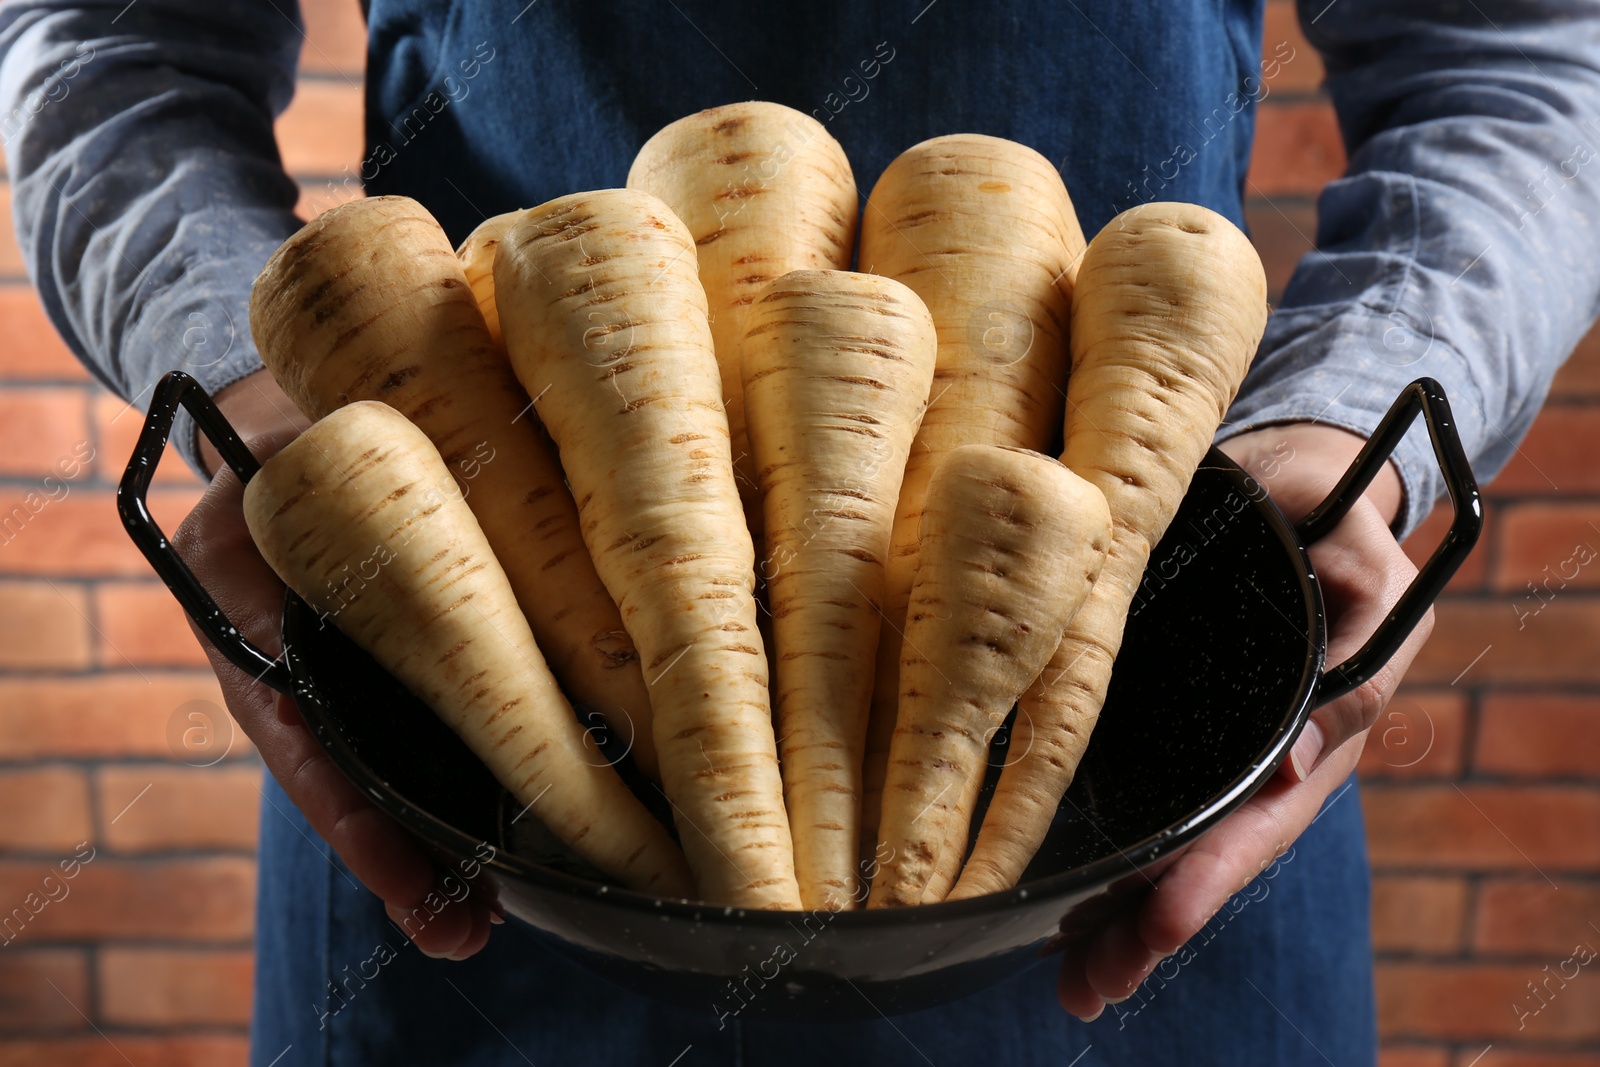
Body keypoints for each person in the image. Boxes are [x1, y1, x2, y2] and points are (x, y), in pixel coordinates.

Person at [3, 1, 1597, 1063]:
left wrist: (1351, 416)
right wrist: (253, 372)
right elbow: (109, 36)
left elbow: (1522, 50)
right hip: (461, 700)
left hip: (1147, 758)